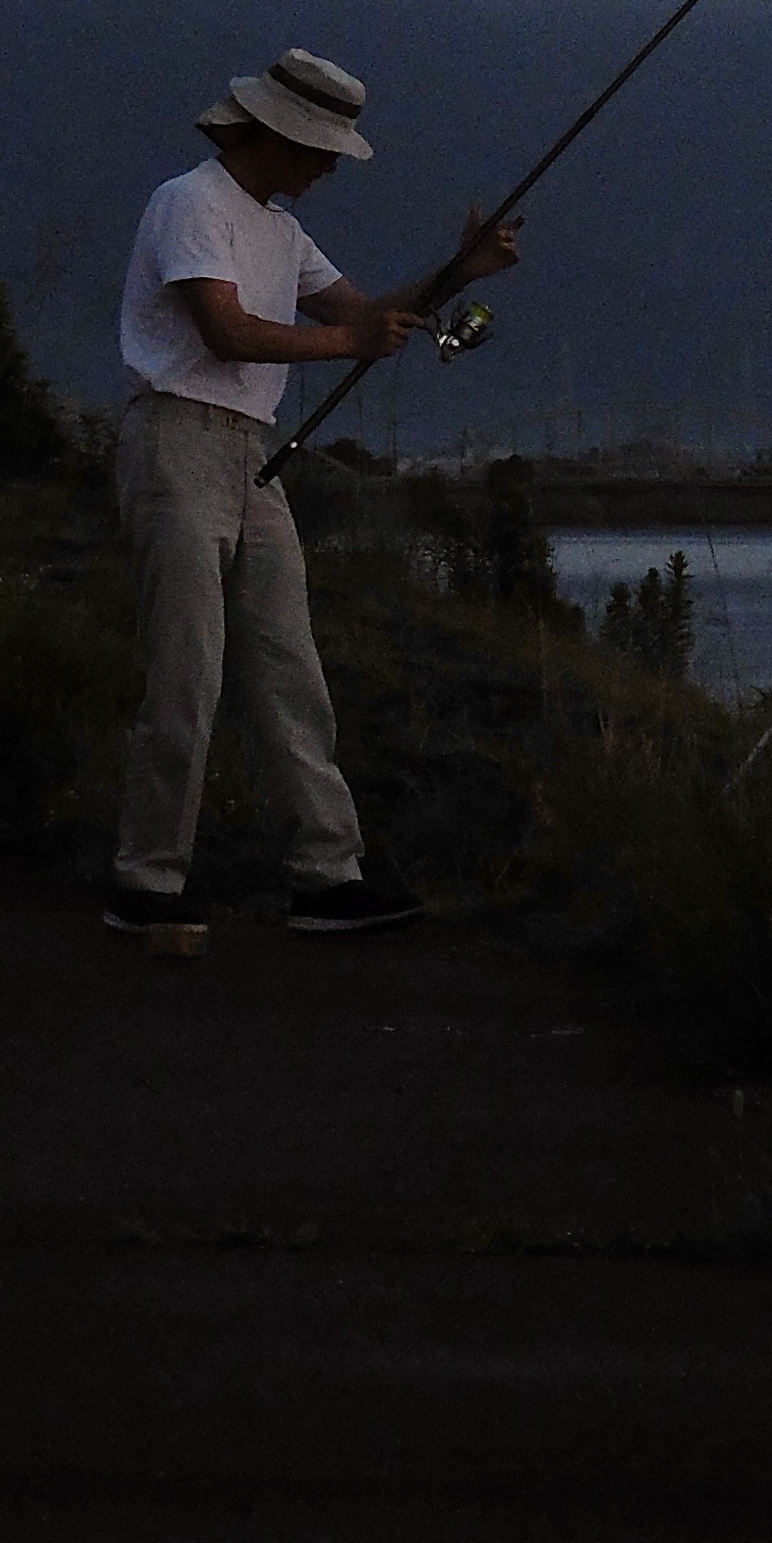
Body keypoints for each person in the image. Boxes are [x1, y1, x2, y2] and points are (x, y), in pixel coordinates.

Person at [107, 46, 520, 940]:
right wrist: (349, 347)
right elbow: (225, 331)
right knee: (187, 669)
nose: (330, 166)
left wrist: (461, 272)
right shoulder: (190, 203)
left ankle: (325, 874)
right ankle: (145, 880)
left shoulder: (281, 231)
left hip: (250, 453)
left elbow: (365, 313)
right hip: (176, 440)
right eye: (319, 147)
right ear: (272, 134)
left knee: (287, 664)